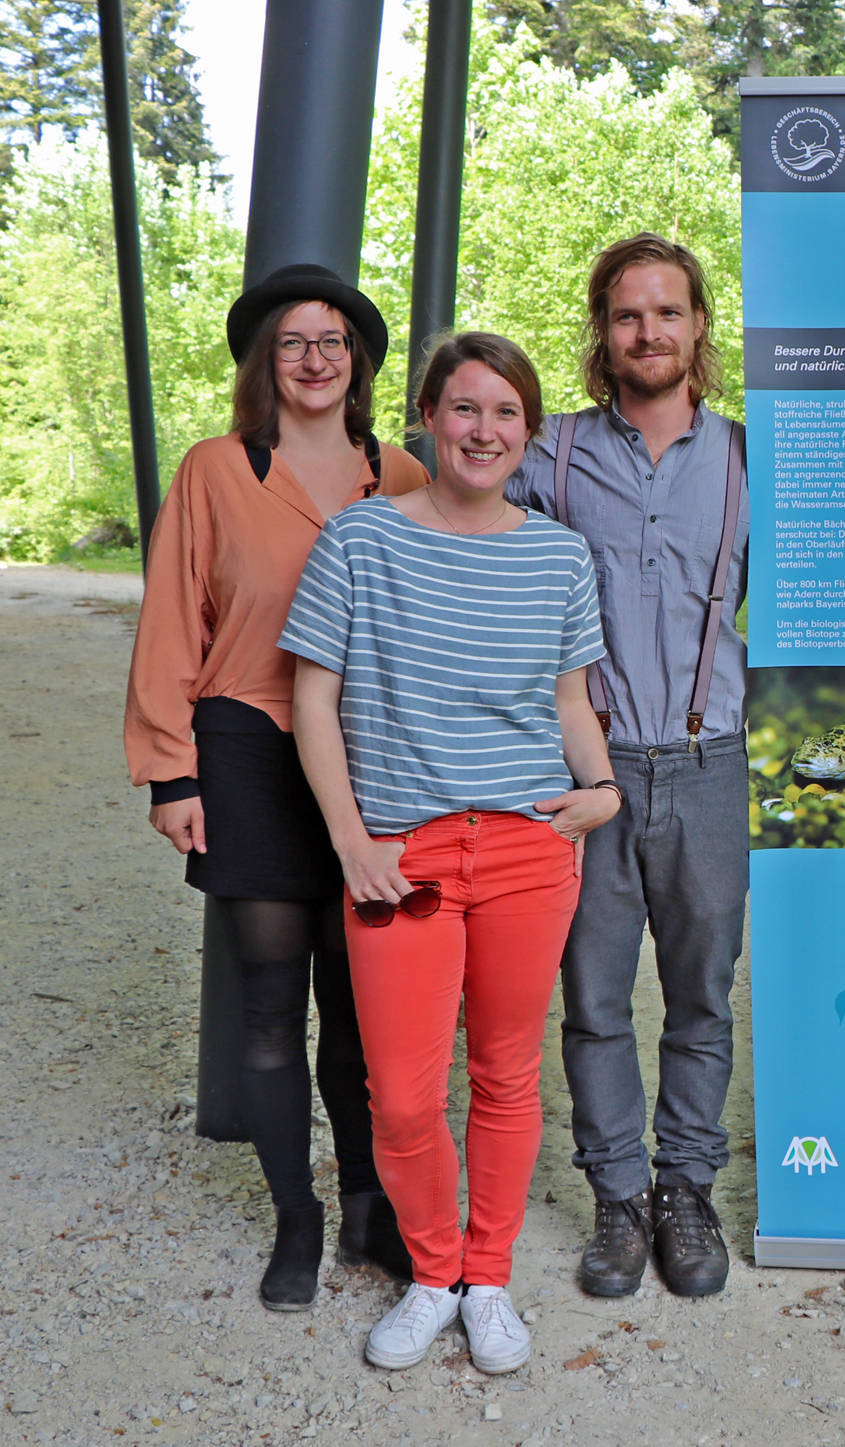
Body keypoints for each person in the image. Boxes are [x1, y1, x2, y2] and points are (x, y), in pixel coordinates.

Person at [283, 332, 621, 1374]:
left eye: (507, 412)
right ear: (427, 414)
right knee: (402, 1091)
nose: (485, 430)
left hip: (527, 849)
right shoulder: (360, 541)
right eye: (466, 408)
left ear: (529, 428)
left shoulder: (558, 553)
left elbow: (570, 702)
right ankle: (432, 1274)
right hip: (403, 858)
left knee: (509, 1074)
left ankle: (488, 1278)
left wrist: (602, 790)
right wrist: (351, 842)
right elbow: (313, 697)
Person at [125, 264, 429, 1310]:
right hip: (248, 743)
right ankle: (292, 1217)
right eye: (293, 341)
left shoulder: (401, 477)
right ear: (267, 361)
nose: (313, 358)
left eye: (333, 341)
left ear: (358, 362)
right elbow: (172, 617)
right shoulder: (216, 470)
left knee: (359, 1007)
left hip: (369, 758)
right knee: (269, 1006)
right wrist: (171, 770)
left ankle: (364, 1208)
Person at [505, 234, 748, 1300]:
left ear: (699, 326)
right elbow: (435, 499)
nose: (648, 332)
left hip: (710, 762)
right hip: (584, 770)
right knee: (594, 997)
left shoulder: (752, 455)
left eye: (667, 312)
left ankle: (683, 1189)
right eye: (626, 315)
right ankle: (614, 1197)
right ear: (602, 335)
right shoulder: (541, 452)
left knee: (700, 996)